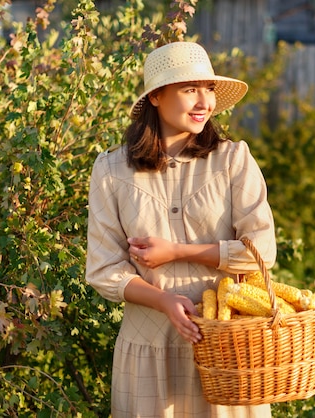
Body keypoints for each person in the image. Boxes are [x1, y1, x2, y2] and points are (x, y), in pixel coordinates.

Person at [85, 41, 277, 418]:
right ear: (156, 95)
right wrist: (163, 301)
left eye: (208, 89)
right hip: (147, 350)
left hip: (227, 348)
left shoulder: (233, 160)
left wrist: (177, 252)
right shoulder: (110, 171)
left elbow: (261, 252)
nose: (204, 101)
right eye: (190, 89)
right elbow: (103, 269)